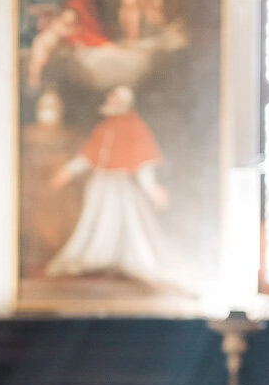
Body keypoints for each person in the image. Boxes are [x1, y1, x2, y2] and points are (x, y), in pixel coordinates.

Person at [45, 84, 173, 284]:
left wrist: (151, 189)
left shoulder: (135, 127)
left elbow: (143, 162)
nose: (109, 100)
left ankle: (122, 263)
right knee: (96, 221)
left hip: (120, 185)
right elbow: (88, 156)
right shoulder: (105, 127)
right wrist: (67, 172)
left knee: (126, 223)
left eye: (113, 98)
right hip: (101, 183)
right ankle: (96, 260)